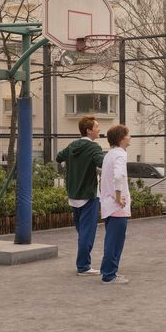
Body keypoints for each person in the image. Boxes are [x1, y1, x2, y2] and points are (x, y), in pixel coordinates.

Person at [56, 116, 104, 276]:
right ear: (89, 130)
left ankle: (83, 263)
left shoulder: (72, 146)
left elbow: (58, 157)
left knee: (82, 232)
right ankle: (83, 266)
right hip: (89, 196)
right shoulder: (94, 148)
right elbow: (102, 162)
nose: (99, 129)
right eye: (97, 127)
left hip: (73, 195)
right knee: (87, 233)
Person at [99, 125, 132, 284]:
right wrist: (118, 197)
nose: (130, 137)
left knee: (112, 239)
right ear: (121, 138)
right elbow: (118, 176)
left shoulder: (109, 155)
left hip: (108, 205)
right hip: (117, 206)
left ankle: (108, 271)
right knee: (115, 241)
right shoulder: (120, 155)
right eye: (128, 135)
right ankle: (109, 274)